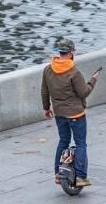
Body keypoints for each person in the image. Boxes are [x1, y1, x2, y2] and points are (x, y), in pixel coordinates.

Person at [41, 38, 100, 187]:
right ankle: (80, 177)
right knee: (80, 143)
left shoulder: (48, 69)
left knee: (63, 140)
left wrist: (46, 108)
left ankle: (57, 175)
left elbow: (44, 91)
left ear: (60, 52)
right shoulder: (74, 72)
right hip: (76, 114)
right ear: (71, 53)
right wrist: (93, 80)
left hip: (59, 113)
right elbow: (83, 93)